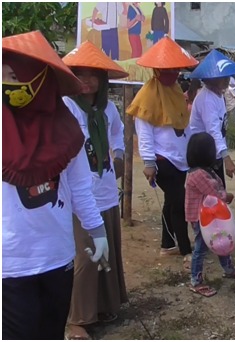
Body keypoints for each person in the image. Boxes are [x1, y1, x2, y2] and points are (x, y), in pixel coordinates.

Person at [2, 30, 109, 340]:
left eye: (13, 76)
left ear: (37, 78)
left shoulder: (67, 129)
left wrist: (97, 230)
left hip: (57, 257)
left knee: (50, 332)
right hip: (9, 263)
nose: (8, 86)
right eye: (2, 77)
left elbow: (79, 189)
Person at [61, 41, 129, 340]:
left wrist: (118, 154)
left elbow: (118, 134)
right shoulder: (65, 107)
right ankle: (77, 318)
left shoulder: (108, 109)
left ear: (103, 80)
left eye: (93, 75)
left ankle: (104, 306)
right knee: (85, 256)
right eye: (80, 73)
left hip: (105, 189)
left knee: (109, 249)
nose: (86, 80)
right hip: (79, 194)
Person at [127, 37, 199, 266]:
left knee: (170, 202)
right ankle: (186, 249)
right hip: (161, 159)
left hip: (180, 159)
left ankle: (167, 245)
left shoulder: (177, 90)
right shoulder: (147, 95)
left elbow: (182, 121)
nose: (173, 73)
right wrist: (149, 163)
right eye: (167, 69)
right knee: (179, 202)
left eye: (175, 69)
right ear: (156, 69)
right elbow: (144, 132)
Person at [185, 132, 235, 297]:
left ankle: (228, 269)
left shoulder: (205, 171)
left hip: (212, 216)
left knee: (222, 240)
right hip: (202, 219)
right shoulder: (198, 175)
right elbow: (214, 193)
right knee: (201, 248)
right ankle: (196, 280)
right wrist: (227, 197)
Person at [189, 49, 235, 188]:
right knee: (213, 195)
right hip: (203, 155)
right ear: (212, 79)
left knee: (219, 191)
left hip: (213, 152)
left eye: (227, 76)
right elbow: (213, 130)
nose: (227, 80)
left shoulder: (218, 95)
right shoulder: (207, 99)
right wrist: (226, 157)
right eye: (223, 77)